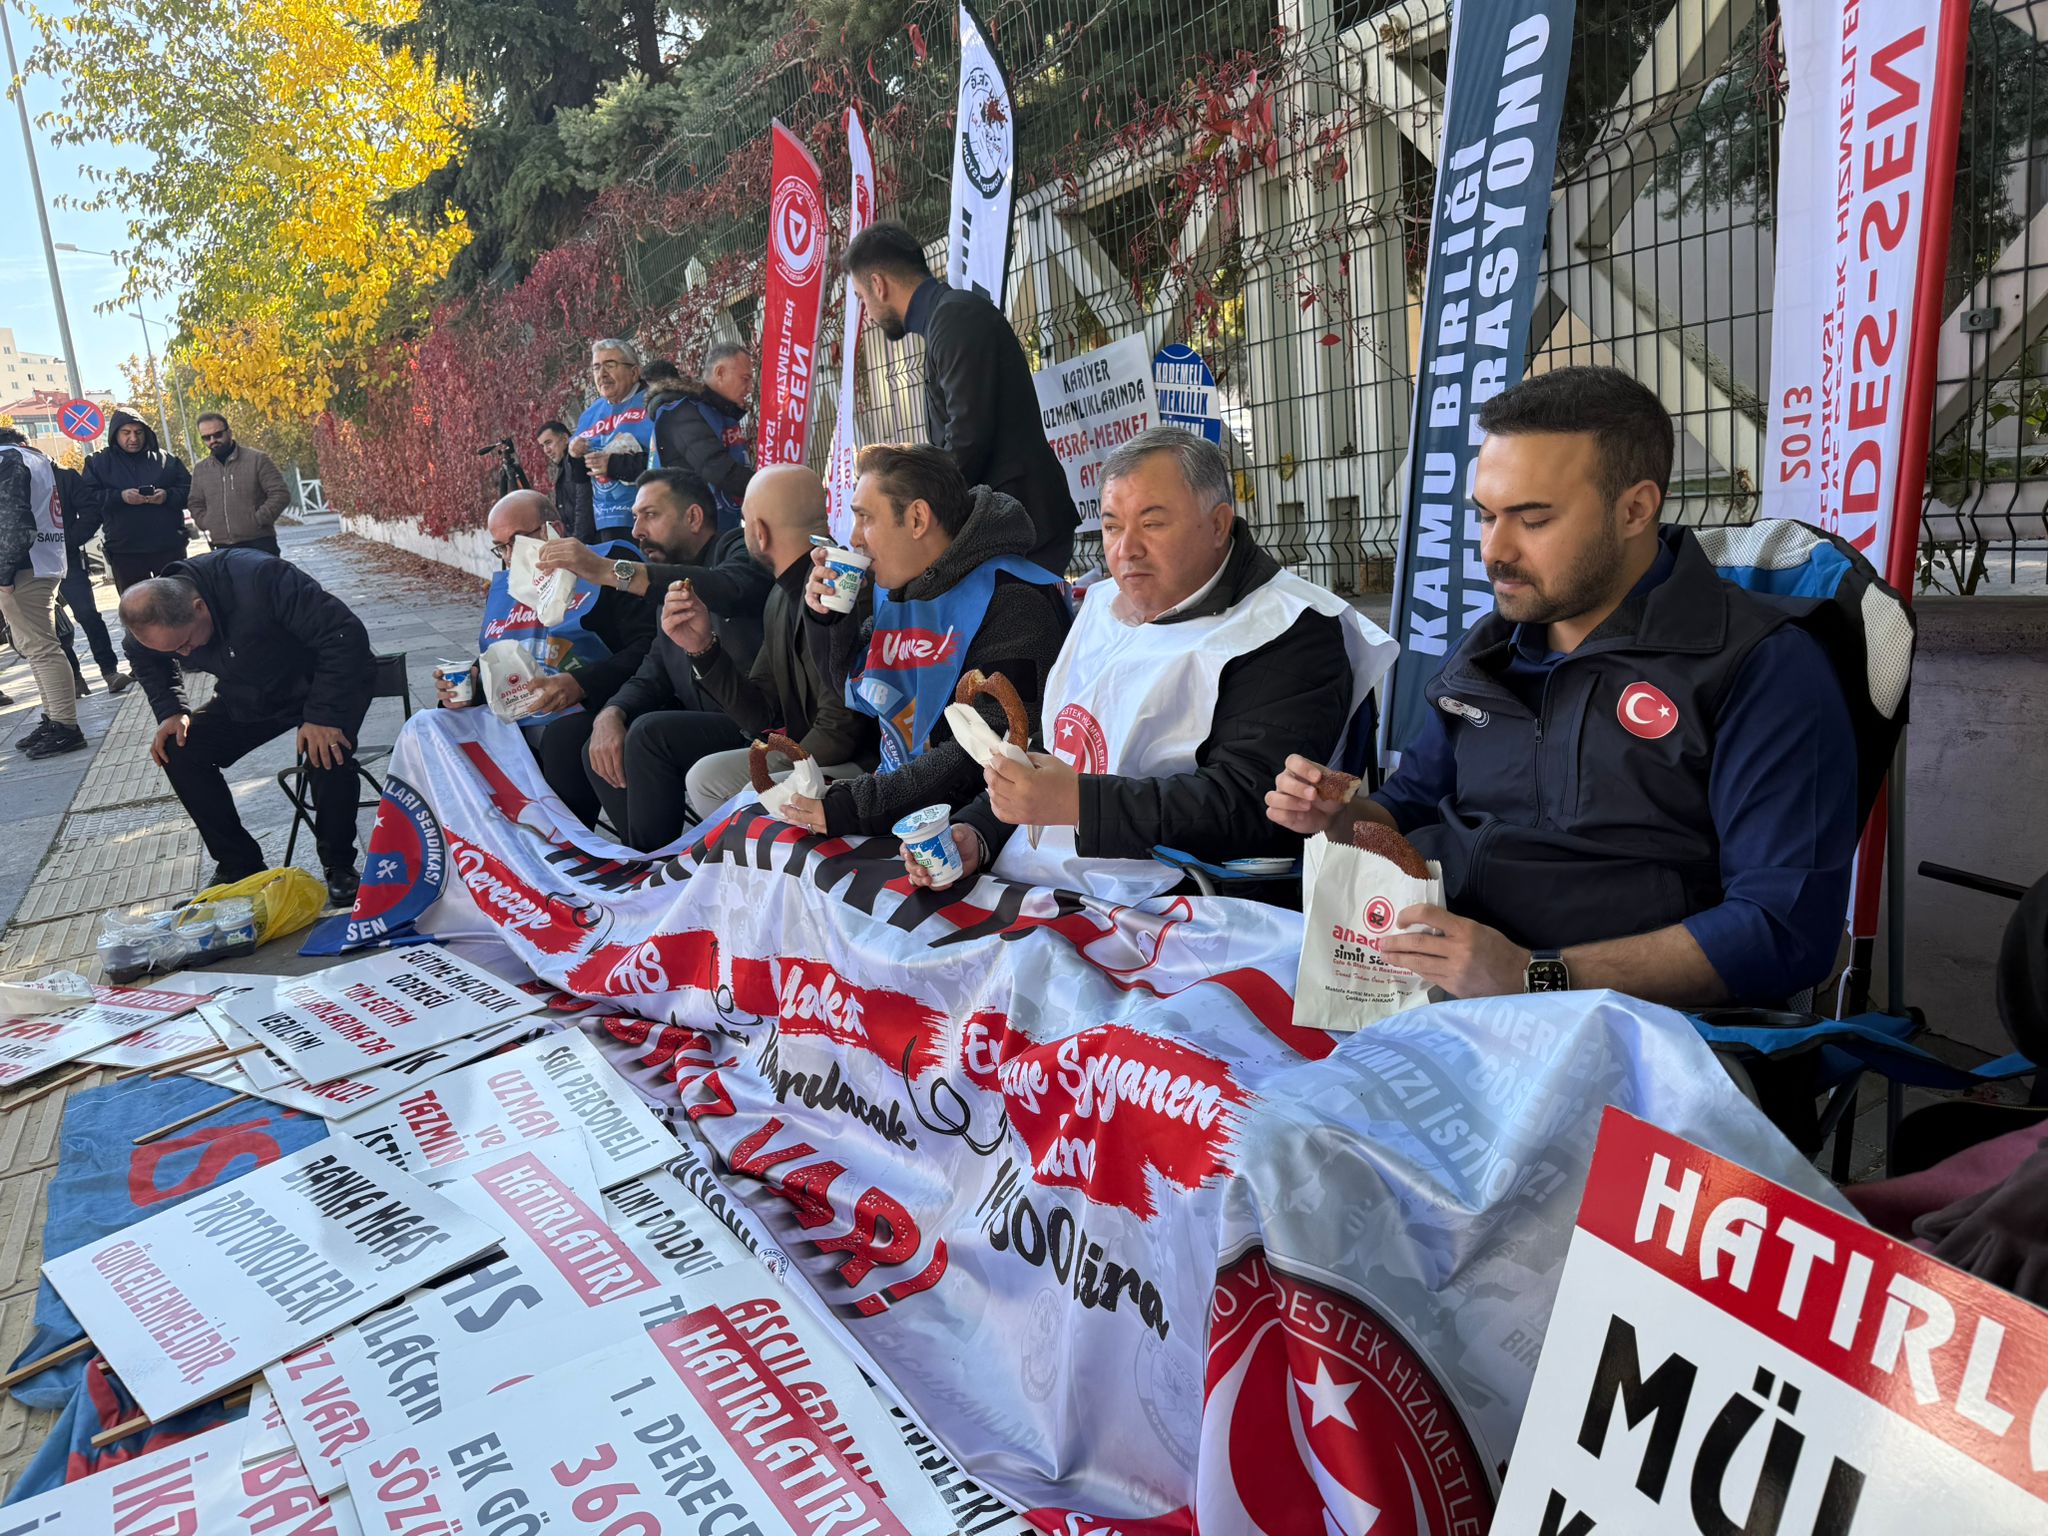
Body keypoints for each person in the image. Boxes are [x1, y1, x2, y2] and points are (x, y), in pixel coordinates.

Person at [1267, 366, 1860, 1009]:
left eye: (1533, 519)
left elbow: (1783, 927)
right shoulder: (1491, 650)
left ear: (1635, 508)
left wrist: (1533, 973)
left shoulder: (1758, 665)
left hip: (1620, 1035)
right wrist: (1338, 816)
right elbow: (1407, 808)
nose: (1495, 551)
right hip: (1417, 995)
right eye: (1487, 516)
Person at [908, 428, 1394, 902]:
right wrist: (979, 830)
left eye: (1153, 523)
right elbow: (1058, 747)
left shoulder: (1288, 629)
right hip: (1038, 878)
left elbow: (1250, 806)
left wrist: (1077, 801)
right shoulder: (1101, 604)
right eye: (1113, 526)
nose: (1126, 549)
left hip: (1174, 903)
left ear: (1219, 524)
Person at [789, 443, 1070, 838]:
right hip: (898, 800)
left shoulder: (1014, 598)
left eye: (865, 518)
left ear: (918, 518)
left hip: (977, 830)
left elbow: (987, 751)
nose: (854, 538)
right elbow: (853, 686)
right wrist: (827, 616)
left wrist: (856, 806)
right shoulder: (905, 587)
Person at [120, 552, 375, 905]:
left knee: (324, 749)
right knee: (179, 750)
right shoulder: (152, 627)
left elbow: (343, 635)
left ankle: (340, 866)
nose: (183, 654)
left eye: (185, 644)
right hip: (252, 689)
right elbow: (145, 659)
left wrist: (323, 715)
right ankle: (239, 865)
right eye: (173, 651)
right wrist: (171, 710)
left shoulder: (260, 578)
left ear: (198, 607)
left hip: (325, 678)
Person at [841, 223, 1078, 574]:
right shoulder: (948, 318)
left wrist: (913, 512)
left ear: (879, 284)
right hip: (1012, 526)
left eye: (862, 298)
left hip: (1023, 530)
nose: (869, 314)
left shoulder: (954, 318)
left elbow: (967, 439)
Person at [561, 468, 771, 850]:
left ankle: (653, 870)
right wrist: (612, 712)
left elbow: (732, 587)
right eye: (635, 518)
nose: (637, 531)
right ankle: (640, 858)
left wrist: (611, 571)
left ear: (693, 517)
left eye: (650, 515)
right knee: (595, 735)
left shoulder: (739, 548)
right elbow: (653, 670)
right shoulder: (663, 586)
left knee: (650, 734)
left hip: (759, 721)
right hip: (701, 724)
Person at [656, 464, 879, 818]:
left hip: (867, 764)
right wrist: (702, 648)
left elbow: (841, 729)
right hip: (814, 751)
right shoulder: (779, 595)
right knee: (704, 778)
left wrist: (779, 774)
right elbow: (762, 711)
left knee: (757, 794)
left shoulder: (840, 585)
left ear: (759, 533)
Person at [437, 489, 654, 827]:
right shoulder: (508, 587)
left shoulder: (607, 565)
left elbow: (649, 649)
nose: (511, 556)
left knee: (564, 738)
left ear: (553, 528)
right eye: (502, 547)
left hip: (598, 701)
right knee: (436, 729)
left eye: (519, 540)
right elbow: (502, 655)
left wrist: (582, 684)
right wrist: (470, 687)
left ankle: (567, 851)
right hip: (518, 712)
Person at [0, 427, 84, 758]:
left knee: (41, 648)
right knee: (35, 646)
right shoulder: (33, 458)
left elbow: (12, 522)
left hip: (21, 568)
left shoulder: (7, 461)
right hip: (41, 560)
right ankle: (54, 717)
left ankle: (65, 725)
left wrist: (3, 572)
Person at [51, 458, 135, 699]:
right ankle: (74, 677)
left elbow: (90, 510)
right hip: (28, 565)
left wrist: (68, 540)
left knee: (87, 614)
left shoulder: (64, 477)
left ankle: (109, 671)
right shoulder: (10, 478)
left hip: (65, 558)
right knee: (51, 626)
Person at [81, 409, 190, 592]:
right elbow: (87, 498)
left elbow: (190, 491)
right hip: (125, 551)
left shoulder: (166, 460)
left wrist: (167, 496)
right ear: (115, 433)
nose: (133, 438)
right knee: (137, 612)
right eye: (126, 433)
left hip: (168, 547)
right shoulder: (97, 463)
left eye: (138, 432)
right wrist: (120, 497)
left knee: (178, 604)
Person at [649, 342, 754, 531]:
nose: (749, 388)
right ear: (720, 372)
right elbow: (716, 468)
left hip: (714, 525)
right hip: (691, 534)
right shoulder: (683, 411)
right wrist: (768, 487)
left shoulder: (715, 410)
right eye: (745, 379)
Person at [569, 338, 653, 543]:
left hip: (648, 521)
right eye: (597, 367)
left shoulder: (654, 403)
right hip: (604, 526)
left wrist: (613, 464)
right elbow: (580, 481)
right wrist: (573, 455)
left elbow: (666, 463)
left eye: (610, 365)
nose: (602, 374)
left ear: (634, 372)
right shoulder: (589, 415)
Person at [187, 412, 291, 555]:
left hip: (260, 543)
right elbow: (195, 502)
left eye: (217, 435)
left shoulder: (257, 459)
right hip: (222, 547)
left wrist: (258, 519)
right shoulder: (201, 469)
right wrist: (206, 522)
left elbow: (280, 494)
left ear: (229, 432)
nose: (212, 441)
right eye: (206, 437)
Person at [537, 419, 591, 538]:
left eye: (549, 442)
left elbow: (583, 506)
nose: (546, 450)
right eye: (542, 446)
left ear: (565, 439)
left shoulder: (574, 464)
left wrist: (578, 543)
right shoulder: (564, 467)